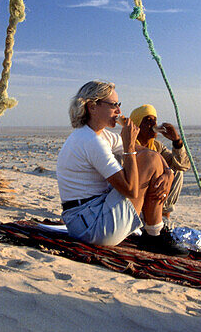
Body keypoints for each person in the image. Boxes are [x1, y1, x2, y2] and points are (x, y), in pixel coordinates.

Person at [56, 81, 184, 255]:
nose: (119, 111)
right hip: (91, 226)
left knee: (151, 157)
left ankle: (153, 232)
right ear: (92, 107)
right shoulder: (90, 141)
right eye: (113, 105)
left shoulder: (101, 135)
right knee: (149, 160)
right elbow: (130, 189)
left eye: (119, 105)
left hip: (86, 219)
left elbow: (148, 151)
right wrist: (129, 147)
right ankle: (153, 235)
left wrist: (168, 173)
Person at [129, 104, 191, 228]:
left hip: (155, 195)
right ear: (137, 125)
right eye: (147, 121)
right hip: (135, 195)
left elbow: (183, 165)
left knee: (177, 171)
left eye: (154, 120)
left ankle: (163, 214)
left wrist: (176, 141)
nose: (154, 125)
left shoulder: (157, 147)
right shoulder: (127, 145)